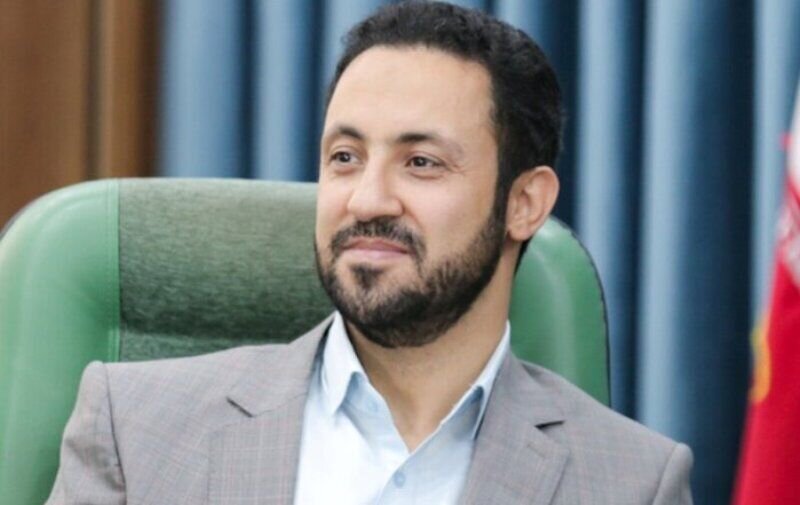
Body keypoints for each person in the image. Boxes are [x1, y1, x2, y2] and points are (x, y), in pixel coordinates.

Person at [47, 1, 693, 503]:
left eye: (421, 162)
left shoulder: (634, 482)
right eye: (345, 157)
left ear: (524, 202)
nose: (367, 199)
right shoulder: (135, 426)